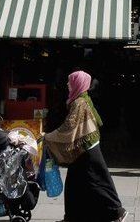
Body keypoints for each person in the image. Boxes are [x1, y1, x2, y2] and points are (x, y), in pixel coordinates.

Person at [43, 71, 128, 222]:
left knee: (96, 182)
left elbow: (69, 127)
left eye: (70, 82)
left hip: (86, 148)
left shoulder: (79, 103)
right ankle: (72, 216)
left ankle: (117, 211)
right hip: (86, 145)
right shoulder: (82, 99)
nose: (68, 84)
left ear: (78, 84)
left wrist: (49, 137)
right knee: (76, 184)